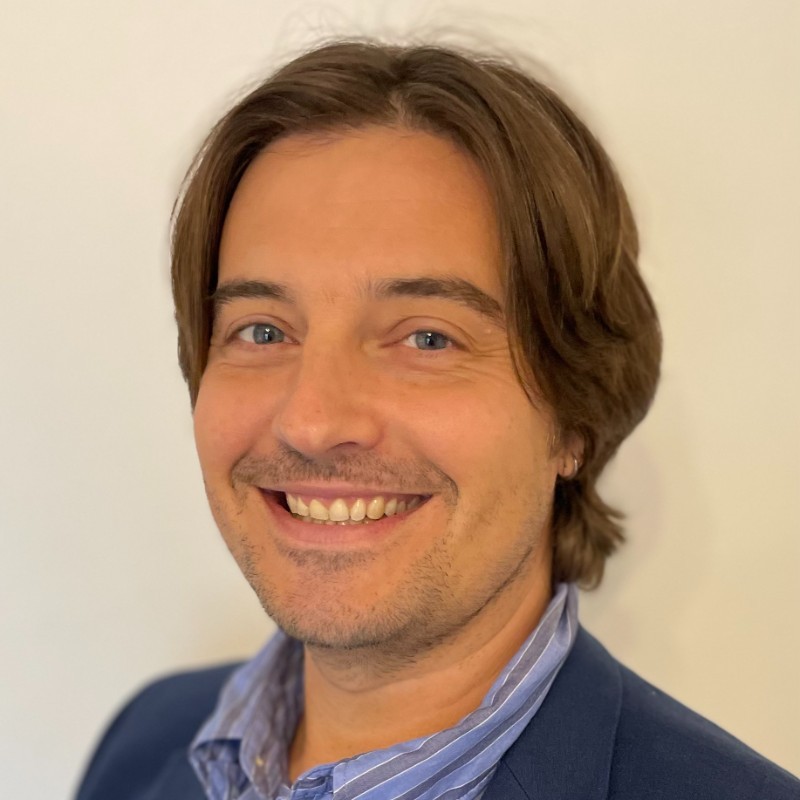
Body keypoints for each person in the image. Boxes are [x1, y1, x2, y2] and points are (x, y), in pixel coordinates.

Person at [75, 40, 799, 800]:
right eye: (262, 331)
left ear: (575, 416)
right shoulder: (145, 741)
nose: (313, 421)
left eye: (426, 337)